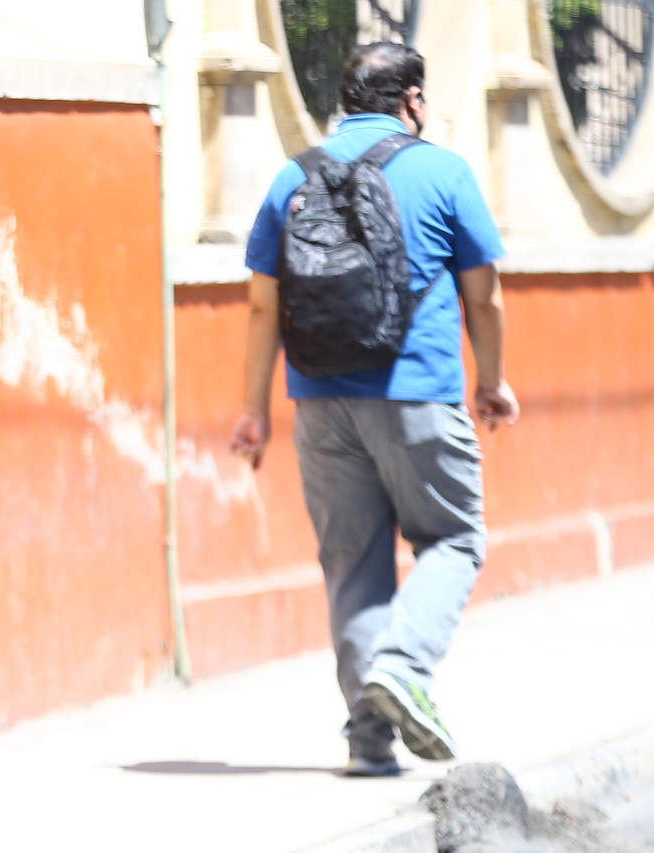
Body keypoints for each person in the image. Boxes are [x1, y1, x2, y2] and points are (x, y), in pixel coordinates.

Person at [230, 43, 519, 776]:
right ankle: (403, 666)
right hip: (417, 391)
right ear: (412, 100)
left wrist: (254, 409)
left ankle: (368, 740)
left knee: (353, 564)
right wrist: (492, 379)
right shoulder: (444, 172)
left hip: (320, 400)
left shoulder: (293, 177)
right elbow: (484, 296)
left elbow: (262, 306)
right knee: (454, 538)